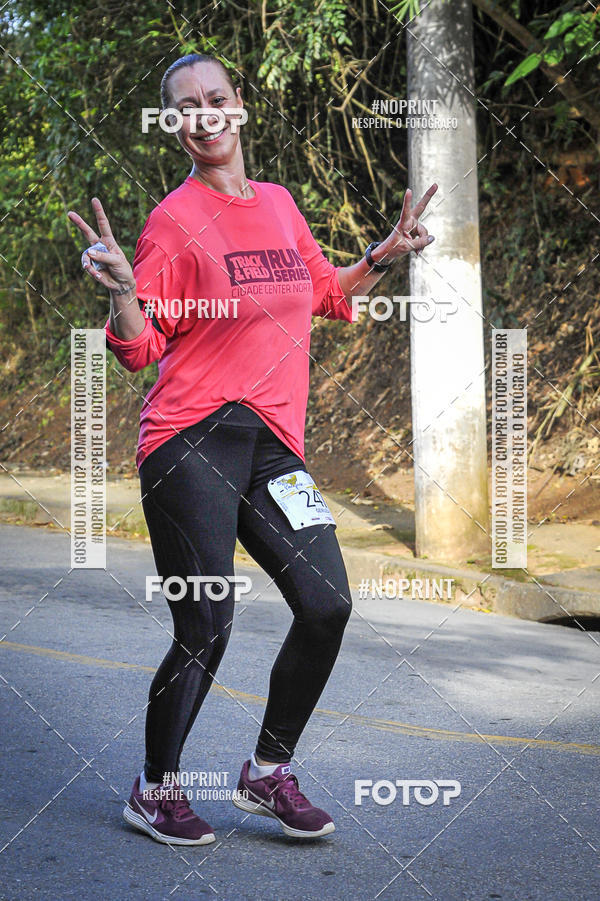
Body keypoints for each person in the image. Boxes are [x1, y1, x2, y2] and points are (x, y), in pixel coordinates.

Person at [67, 52, 436, 846]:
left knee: (328, 602)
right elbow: (138, 350)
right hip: (188, 440)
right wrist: (127, 295)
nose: (204, 113)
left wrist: (385, 251)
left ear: (237, 108)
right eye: (184, 106)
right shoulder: (171, 221)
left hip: (272, 447)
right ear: (174, 125)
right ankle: (156, 788)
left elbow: (329, 296)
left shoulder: (278, 203)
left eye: (216, 98)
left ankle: (268, 772)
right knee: (207, 619)